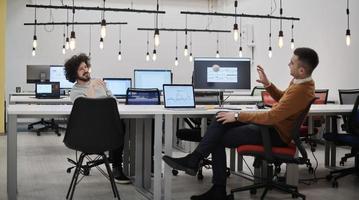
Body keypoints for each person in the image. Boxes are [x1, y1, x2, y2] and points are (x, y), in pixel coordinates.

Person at [163, 47, 319, 200]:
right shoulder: (299, 81)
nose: (288, 64)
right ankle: (195, 160)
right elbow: (283, 98)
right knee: (221, 117)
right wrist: (267, 84)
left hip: (275, 133)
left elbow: (271, 117)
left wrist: (237, 115)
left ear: (301, 71)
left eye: (292, 63)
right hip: (271, 127)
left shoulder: (302, 90)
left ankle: (214, 185)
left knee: (217, 138)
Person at [64, 53, 131, 184]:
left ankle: (118, 166)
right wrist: (92, 86)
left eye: (86, 67)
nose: (85, 70)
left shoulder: (100, 83)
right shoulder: (75, 92)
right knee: (120, 125)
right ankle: (117, 166)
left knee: (122, 123)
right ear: (74, 73)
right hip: (89, 132)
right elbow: (86, 107)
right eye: (81, 69)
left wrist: (98, 87)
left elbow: (113, 101)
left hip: (108, 128)